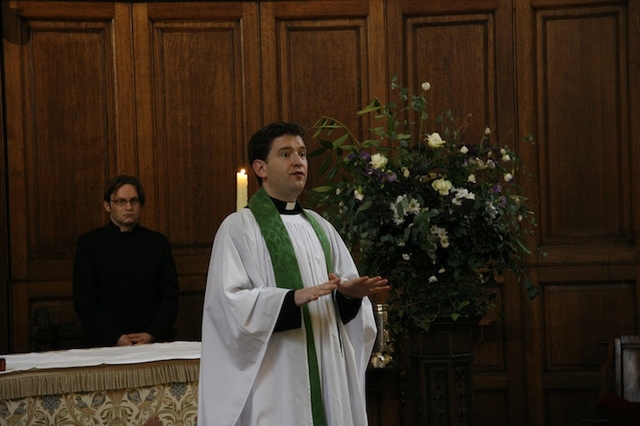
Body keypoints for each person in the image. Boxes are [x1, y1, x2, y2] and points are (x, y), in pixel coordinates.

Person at [198, 122, 389, 425]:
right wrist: (287, 300)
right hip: (276, 380)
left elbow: (346, 307)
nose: (298, 161)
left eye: (301, 153)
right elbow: (227, 307)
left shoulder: (320, 227)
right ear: (260, 168)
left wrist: (349, 298)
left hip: (328, 369)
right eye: (285, 154)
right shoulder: (238, 228)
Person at [72, 175, 179, 348]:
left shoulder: (157, 243)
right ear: (108, 205)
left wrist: (152, 334)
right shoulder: (90, 244)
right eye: (121, 201)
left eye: (134, 201)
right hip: (104, 343)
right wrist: (115, 337)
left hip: (151, 343)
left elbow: (170, 297)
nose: (128, 207)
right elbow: (84, 300)